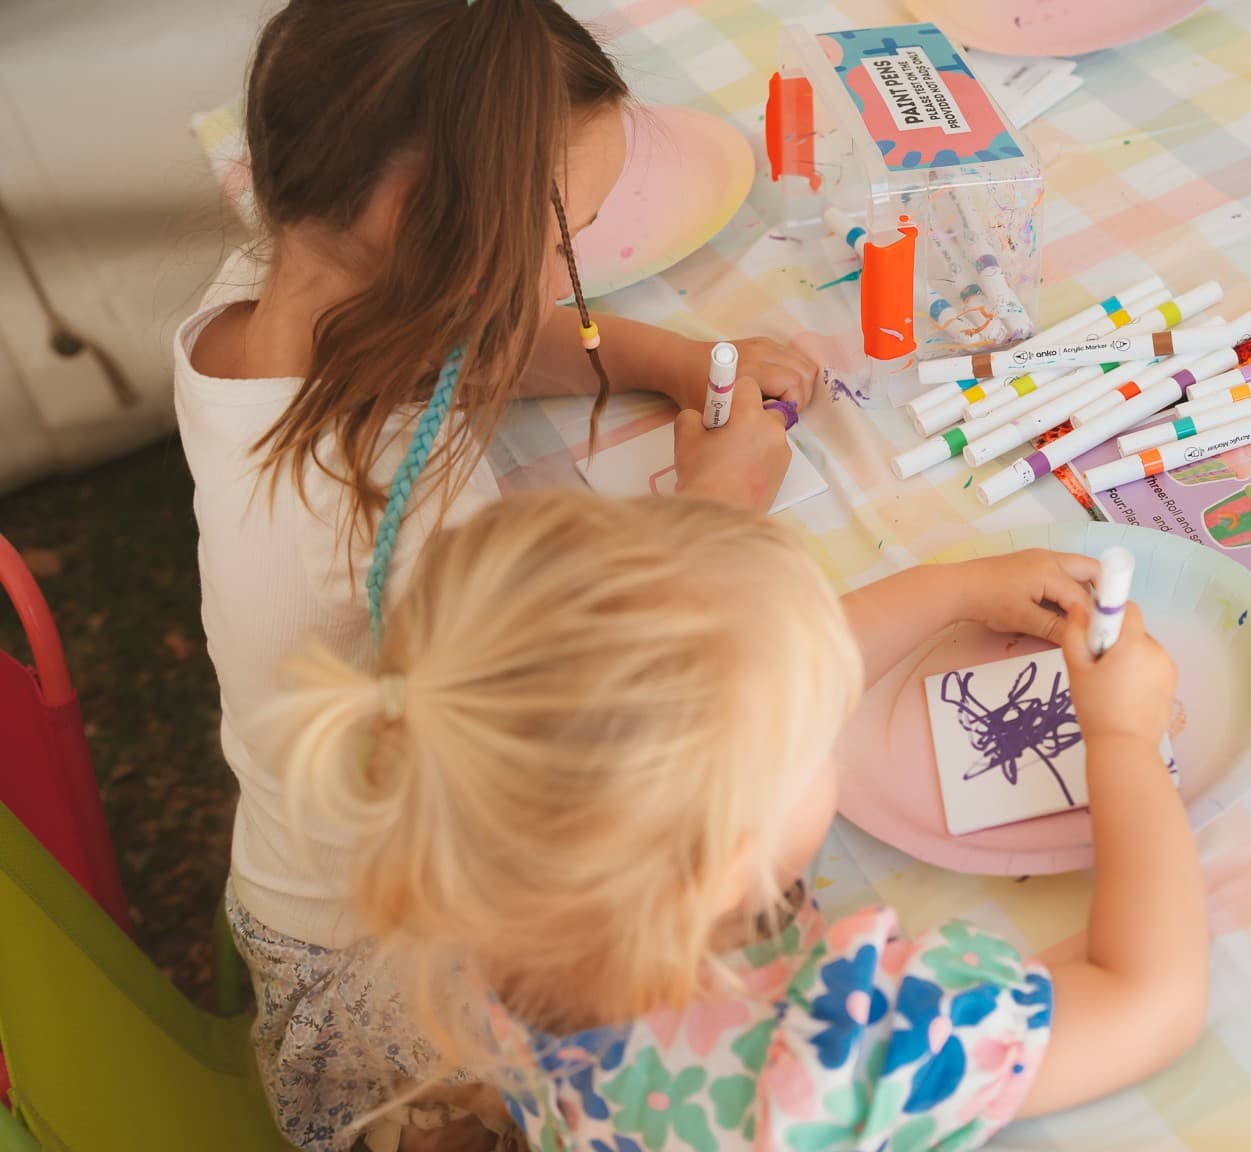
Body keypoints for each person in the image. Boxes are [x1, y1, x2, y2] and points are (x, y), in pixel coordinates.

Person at [174, 1, 808, 1145]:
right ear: (426, 219)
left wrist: (673, 359)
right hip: (406, 986)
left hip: (386, 857)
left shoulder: (276, 294)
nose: (566, 261)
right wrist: (722, 511)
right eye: (560, 226)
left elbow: (481, 339)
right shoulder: (347, 529)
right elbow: (594, 715)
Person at [271, 490, 1208, 1150]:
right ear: (715, 862)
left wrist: (952, 590)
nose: (828, 722)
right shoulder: (831, 1060)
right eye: (810, 741)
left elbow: (724, 686)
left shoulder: (504, 895)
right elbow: (1148, 996)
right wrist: (1120, 736)